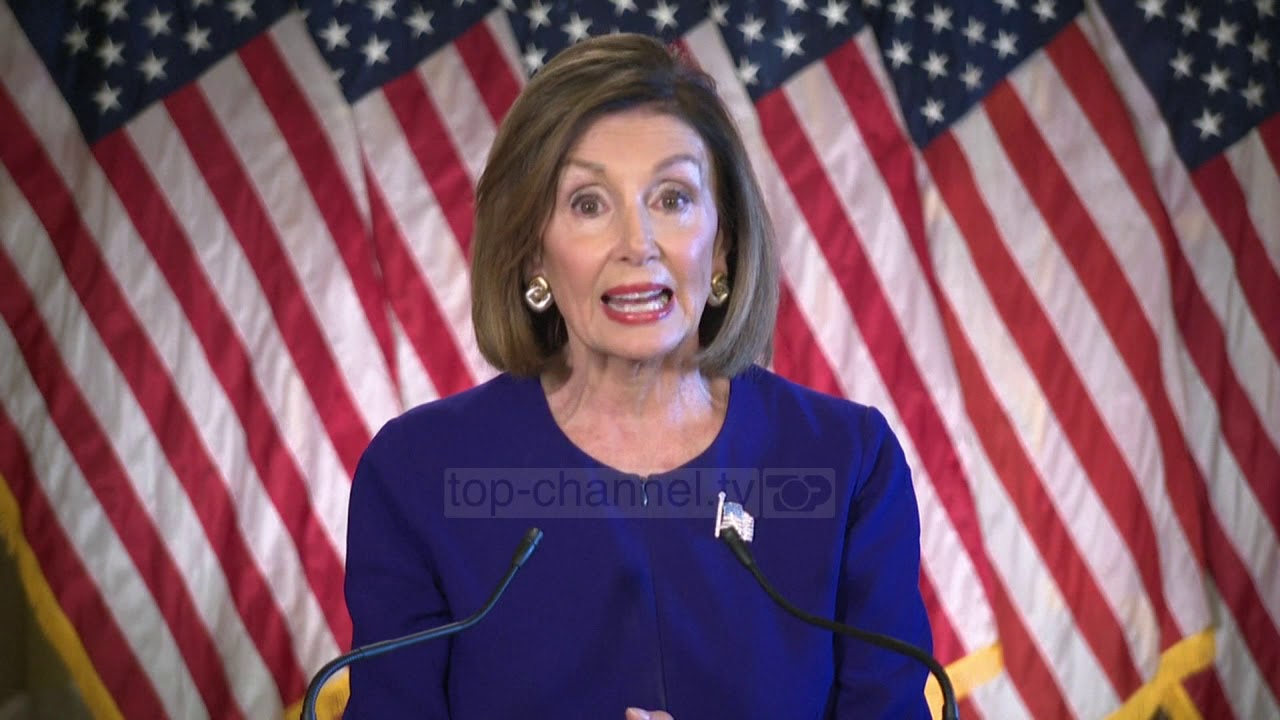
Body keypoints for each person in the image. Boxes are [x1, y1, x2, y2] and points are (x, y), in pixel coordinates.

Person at [343, 33, 933, 719]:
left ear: (723, 244)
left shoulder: (846, 463)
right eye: (589, 204)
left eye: (673, 198)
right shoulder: (418, 474)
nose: (637, 245)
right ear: (532, 252)